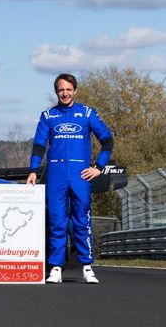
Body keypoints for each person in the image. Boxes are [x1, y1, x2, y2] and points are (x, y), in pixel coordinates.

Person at [25, 73, 113, 284]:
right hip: (55, 175)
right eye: (61, 90)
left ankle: (87, 266)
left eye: (68, 89)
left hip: (80, 175)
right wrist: (33, 171)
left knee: (81, 220)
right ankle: (56, 267)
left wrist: (99, 167)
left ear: (75, 90)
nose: (64, 93)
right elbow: (38, 146)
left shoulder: (87, 113)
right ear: (56, 92)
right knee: (57, 221)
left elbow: (108, 141)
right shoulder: (48, 116)